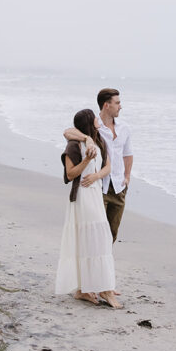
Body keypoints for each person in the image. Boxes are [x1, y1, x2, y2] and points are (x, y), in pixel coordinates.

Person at [55, 108, 122, 308]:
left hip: (94, 192)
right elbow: (70, 175)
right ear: (88, 123)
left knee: (100, 238)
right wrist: (86, 160)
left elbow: (108, 166)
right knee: (92, 240)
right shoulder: (74, 146)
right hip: (82, 197)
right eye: (94, 118)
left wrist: (97, 176)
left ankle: (92, 287)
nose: (98, 120)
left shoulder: (99, 140)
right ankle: (94, 289)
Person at [63, 88, 133, 243]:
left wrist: (127, 177)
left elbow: (127, 154)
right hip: (100, 188)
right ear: (106, 105)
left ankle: (105, 265)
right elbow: (67, 132)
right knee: (96, 233)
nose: (120, 106)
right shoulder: (94, 125)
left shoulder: (125, 128)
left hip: (119, 188)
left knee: (112, 233)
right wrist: (87, 138)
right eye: (117, 103)